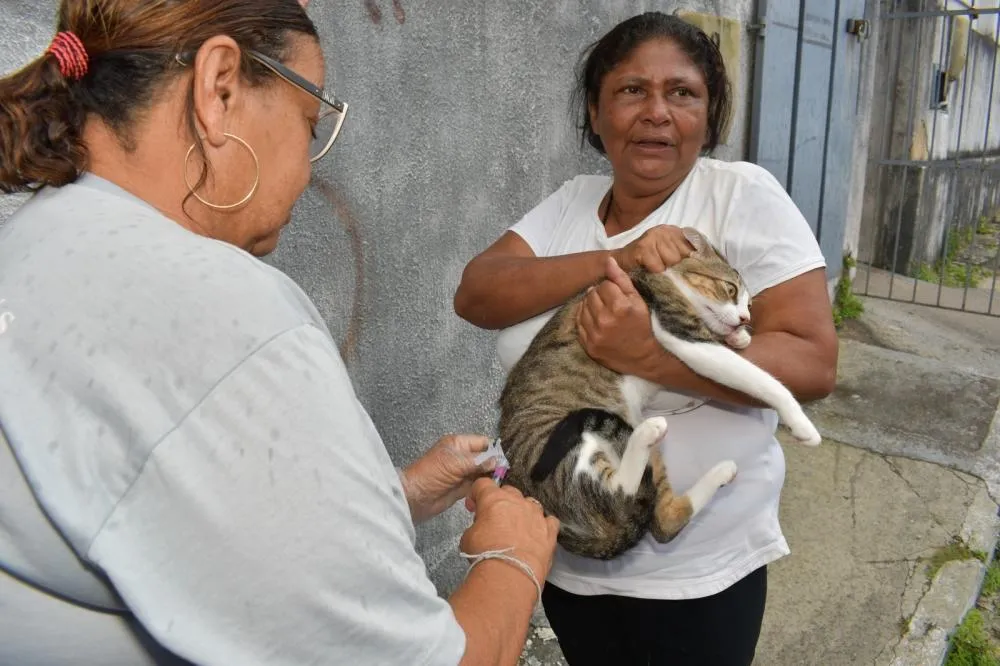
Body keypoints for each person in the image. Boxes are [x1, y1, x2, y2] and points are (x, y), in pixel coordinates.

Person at [0, 2, 559, 665]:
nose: (306, 169)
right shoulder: (220, 311)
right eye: (307, 125)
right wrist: (514, 556)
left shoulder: (37, 234)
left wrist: (392, 497)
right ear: (220, 87)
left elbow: (160, 516)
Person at [454, 11, 838, 666]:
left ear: (710, 115)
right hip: (565, 560)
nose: (656, 112)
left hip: (699, 581)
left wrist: (652, 359)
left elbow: (812, 360)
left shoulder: (739, 196)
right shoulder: (572, 204)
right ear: (596, 114)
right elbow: (478, 292)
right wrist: (625, 257)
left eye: (682, 93)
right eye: (631, 91)